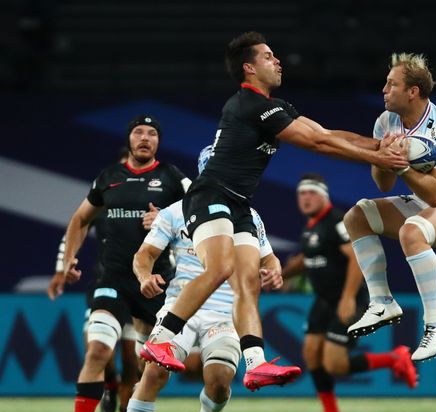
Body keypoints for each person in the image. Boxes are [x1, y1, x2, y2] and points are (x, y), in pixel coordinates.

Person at [141, 31, 407, 391]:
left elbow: (324, 132)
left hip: (238, 205)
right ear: (249, 68)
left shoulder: (273, 107)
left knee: (247, 283)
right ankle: (160, 338)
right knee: (221, 268)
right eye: (268, 56)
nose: (277, 60)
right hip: (210, 196)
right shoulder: (249, 104)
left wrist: (378, 144)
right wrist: (376, 158)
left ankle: (255, 364)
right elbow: (317, 143)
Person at [343, 52, 436, 361]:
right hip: (427, 202)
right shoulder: (386, 121)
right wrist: (385, 157)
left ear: (413, 92)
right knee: (357, 215)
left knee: (413, 230)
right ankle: (382, 302)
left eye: (391, 84)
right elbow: (382, 185)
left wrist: (401, 168)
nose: (384, 89)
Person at [127, 147, 283, 412]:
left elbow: (268, 256)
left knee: (220, 382)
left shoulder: (248, 213)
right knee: (152, 375)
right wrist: (144, 276)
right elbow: (144, 254)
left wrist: (274, 270)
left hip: (225, 312)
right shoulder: (177, 211)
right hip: (181, 306)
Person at [57, 115, 190, 412]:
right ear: (129, 139)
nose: (145, 138)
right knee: (99, 349)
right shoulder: (108, 177)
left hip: (153, 284)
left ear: (158, 141)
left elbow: (201, 212)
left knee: (148, 366)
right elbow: (80, 219)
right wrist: (68, 261)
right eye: (139, 132)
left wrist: (167, 219)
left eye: (152, 133)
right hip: (111, 279)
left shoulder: (173, 178)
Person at [282, 173, 418, 412]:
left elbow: (357, 257)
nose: (306, 198)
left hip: (350, 300)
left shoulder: (337, 222)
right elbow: (306, 259)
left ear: (324, 196)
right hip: (324, 301)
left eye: (312, 192)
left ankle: (394, 358)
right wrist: (281, 274)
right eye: (302, 193)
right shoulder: (312, 226)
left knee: (335, 364)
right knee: (311, 355)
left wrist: (347, 298)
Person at [48, 146, 140, 412]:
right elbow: (77, 224)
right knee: (99, 350)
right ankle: (109, 383)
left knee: (132, 359)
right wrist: (62, 268)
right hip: (107, 283)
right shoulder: (106, 195)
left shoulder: (157, 202)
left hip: (142, 291)